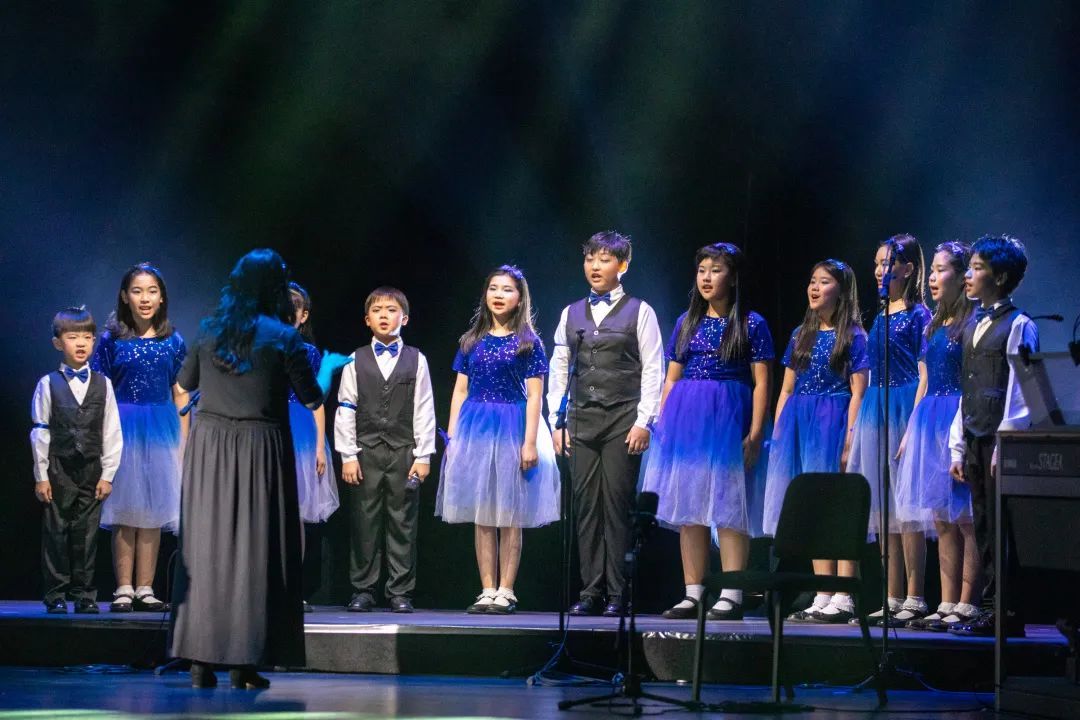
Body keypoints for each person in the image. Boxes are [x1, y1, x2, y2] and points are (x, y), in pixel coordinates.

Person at [170, 249, 350, 689]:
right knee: (256, 552)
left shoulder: (210, 329)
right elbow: (311, 397)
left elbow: (185, 383)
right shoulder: (284, 336)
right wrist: (328, 369)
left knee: (209, 549)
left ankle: (200, 661)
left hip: (211, 448)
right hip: (258, 448)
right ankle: (245, 662)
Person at [642, 243, 773, 621]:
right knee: (689, 507)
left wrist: (755, 432)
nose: (706, 277)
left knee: (730, 506)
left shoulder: (751, 323)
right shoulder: (686, 322)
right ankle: (694, 592)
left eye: (715, 270)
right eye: (702, 270)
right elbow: (671, 378)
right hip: (688, 421)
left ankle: (732, 591)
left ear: (733, 277)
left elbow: (762, 382)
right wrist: (663, 422)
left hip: (729, 417)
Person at [546, 231, 664, 617]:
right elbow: (560, 368)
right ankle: (590, 590)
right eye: (590, 259)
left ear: (623, 265)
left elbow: (654, 368)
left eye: (604, 260)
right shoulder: (571, 313)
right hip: (580, 420)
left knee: (616, 504)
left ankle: (618, 592)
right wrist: (557, 421)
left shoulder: (640, 311)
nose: (595, 267)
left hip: (622, 419)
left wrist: (645, 421)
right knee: (585, 507)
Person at [436, 265, 560, 614]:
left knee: (510, 511)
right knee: (483, 513)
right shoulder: (471, 340)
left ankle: (507, 589)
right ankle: (487, 588)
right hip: (476, 428)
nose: (499, 295)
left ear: (520, 298)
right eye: (493, 288)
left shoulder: (529, 343)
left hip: (512, 427)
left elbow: (535, 396)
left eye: (507, 289)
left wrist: (530, 442)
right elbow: (460, 391)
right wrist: (453, 436)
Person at [761, 260, 869, 621]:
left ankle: (845, 593)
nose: (814, 287)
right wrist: (779, 432)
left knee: (836, 507)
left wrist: (850, 438)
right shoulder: (800, 334)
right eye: (812, 280)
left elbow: (859, 391)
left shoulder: (853, 335)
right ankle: (823, 592)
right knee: (814, 508)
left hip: (832, 421)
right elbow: (786, 388)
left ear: (842, 290)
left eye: (824, 281)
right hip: (801, 422)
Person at [946, 235, 1037, 637]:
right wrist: (958, 444)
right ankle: (989, 607)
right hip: (975, 434)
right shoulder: (973, 325)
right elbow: (967, 389)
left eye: (977, 268)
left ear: (999, 277)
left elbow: (1021, 389)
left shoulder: (1018, 325)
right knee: (982, 523)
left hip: (999, 440)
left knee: (1002, 526)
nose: (968, 275)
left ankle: (1007, 609)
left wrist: (1006, 440)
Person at [845, 235, 932, 625]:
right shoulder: (880, 315)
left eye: (889, 263)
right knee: (884, 509)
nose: (881, 270)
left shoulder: (919, 315)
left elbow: (924, 373)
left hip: (903, 404)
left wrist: (914, 423)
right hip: (876, 408)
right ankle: (891, 595)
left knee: (907, 508)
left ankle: (915, 595)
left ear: (908, 269)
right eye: (877, 263)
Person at [91, 262, 188, 613]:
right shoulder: (111, 340)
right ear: (124, 296)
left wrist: (184, 442)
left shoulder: (172, 340)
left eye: (151, 291)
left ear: (161, 298)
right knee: (125, 508)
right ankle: (123, 587)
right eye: (137, 291)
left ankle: (145, 588)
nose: (144, 299)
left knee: (154, 507)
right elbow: (99, 390)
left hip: (162, 428)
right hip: (123, 427)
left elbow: (180, 392)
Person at [895, 242, 981, 630]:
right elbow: (925, 380)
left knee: (965, 516)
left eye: (942, 270)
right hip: (929, 419)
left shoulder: (972, 323)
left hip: (957, 418)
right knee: (942, 517)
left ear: (962, 277)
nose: (932, 277)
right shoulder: (933, 325)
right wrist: (911, 429)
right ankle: (946, 601)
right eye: (931, 270)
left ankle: (968, 600)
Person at [336, 286, 436, 614]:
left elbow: (424, 407)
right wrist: (348, 454)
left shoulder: (417, 359)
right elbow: (346, 406)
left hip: (403, 449)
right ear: (367, 319)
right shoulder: (356, 359)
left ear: (404, 318)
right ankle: (363, 589)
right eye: (377, 310)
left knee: (402, 521)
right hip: (366, 450)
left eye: (391, 310)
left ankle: (400, 591)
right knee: (364, 521)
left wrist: (423, 455)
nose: (384, 315)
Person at [31, 307, 122, 614]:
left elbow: (112, 431)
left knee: (87, 534)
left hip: (91, 470)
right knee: (56, 533)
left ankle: (84, 594)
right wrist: (41, 475)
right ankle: (55, 594)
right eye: (72, 337)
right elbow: (40, 431)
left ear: (94, 341)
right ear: (58, 343)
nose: (81, 343)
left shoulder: (103, 384)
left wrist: (108, 474)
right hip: (59, 468)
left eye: (87, 337)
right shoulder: (47, 384)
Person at [287, 282, 340, 612]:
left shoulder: (307, 352)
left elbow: (316, 402)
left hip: (301, 433)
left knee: (296, 515)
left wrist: (320, 447)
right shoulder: (263, 349)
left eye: (293, 307)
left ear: (303, 315)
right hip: (269, 428)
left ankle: (293, 588)